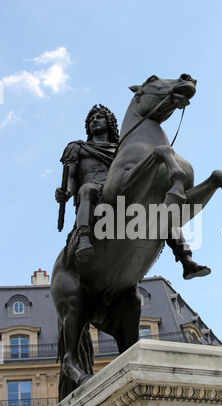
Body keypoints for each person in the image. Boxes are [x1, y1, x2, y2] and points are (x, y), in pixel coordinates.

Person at [55, 104, 210, 277]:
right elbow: (70, 178)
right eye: (90, 120)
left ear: (110, 122)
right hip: (93, 192)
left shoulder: (123, 149)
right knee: (87, 189)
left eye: (99, 117)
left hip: (119, 188)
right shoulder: (78, 148)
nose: (94, 121)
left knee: (158, 205)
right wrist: (66, 192)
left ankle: (185, 259)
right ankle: (83, 239)